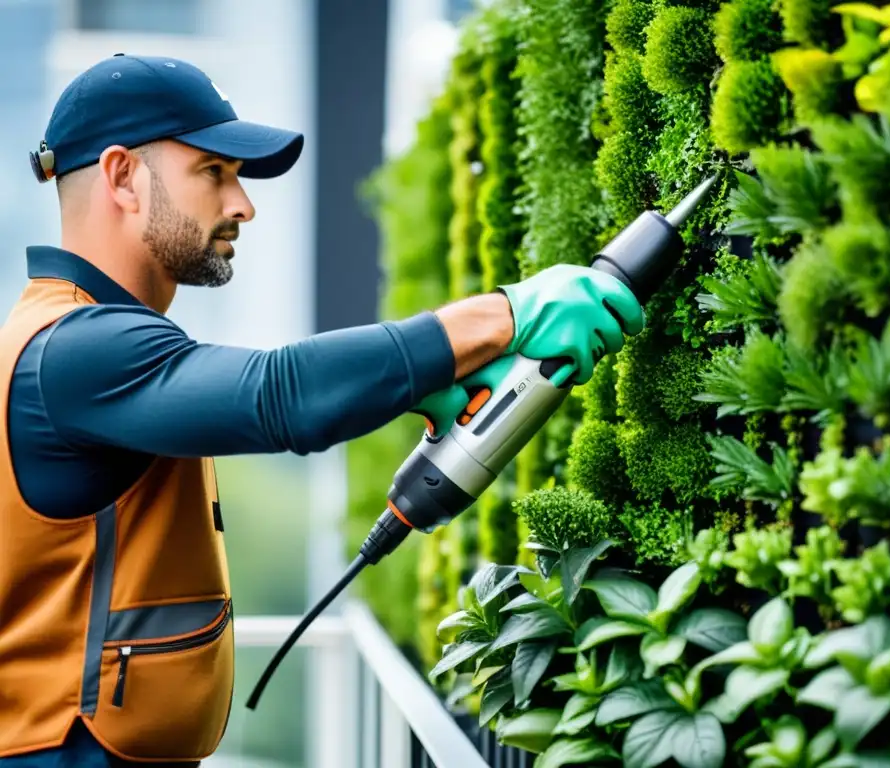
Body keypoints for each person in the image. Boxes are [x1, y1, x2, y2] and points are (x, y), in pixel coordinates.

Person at [0, 54, 645, 767]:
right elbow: (279, 396)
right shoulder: (75, 350)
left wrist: (416, 377)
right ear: (122, 175)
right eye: (213, 172)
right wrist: (507, 313)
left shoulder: (77, 338)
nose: (243, 204)